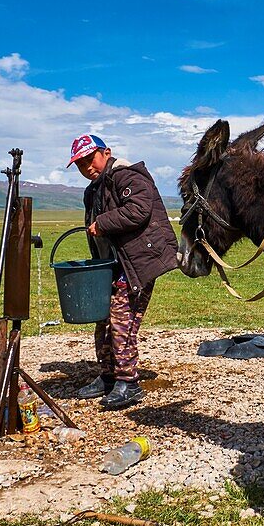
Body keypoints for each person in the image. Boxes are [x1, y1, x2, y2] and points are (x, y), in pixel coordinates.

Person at [66, 134, 179, 410]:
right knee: (103, 318)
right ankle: (108, 376)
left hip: (140, 262)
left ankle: (128, 383)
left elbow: (139, 210)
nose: (86, 167)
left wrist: (102, 223)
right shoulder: (93, 190)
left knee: (122, 319)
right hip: (114, 264)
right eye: (80, 164)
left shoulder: (127, 176)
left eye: (89, 159)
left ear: (106, 152)